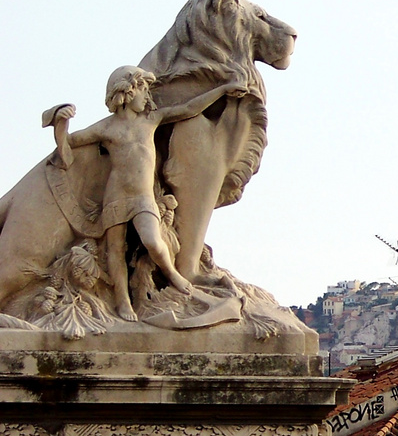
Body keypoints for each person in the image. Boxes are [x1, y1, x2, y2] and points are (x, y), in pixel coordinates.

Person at [50, 66, 249, 321]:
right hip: (116, 195)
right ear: (126, 92)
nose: (147, 96)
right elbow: (68, 143)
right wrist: (60, 122)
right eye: (142, 90)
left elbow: (188, 109)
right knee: (115, 250)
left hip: (143, 197)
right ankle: (122, 301)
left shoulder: (150, 120)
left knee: (153, 241)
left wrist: (221, 90)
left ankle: (172, 273)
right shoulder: (107, 128)